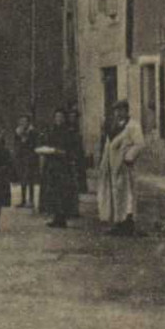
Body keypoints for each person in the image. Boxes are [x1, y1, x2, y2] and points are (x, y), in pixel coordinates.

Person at [97, 99, 146, 236]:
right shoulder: (114, 126)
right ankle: (118, 222)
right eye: (116, 111)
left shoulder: (133, 126)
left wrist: (129, 157)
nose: (118, 113)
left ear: (126, 111)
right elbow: (109, 145)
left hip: (125, 166)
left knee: (128, 195)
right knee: (116, 195)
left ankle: (128, 223)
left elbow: (139, 144)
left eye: (121, 110)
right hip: (113, 166)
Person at [37, 109, 77, 229]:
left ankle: (62, 217)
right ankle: (56, 217)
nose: (58, 119)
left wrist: (59, 152)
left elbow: (70, 149)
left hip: (63, 166)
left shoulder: (68, 132)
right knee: (53, 191)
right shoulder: (52, 131)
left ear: (64, 119)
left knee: (62, 192)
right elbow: (47, 143)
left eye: (60, 117)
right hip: (52, 164)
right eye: (56, 117)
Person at [13, 113, 39, 209]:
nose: (23, 123)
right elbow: (16, 144)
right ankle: (23, 200)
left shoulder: (32, 132)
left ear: (28, 122)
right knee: (22, 180)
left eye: (25, 121)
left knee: (30, 180)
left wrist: (26, 140)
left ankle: (31, 201)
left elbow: (34, 144)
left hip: (30, 158)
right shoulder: (18, 132)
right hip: (21, 158)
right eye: (21, 121)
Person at [66, 106, 88, 217]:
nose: (72, 119)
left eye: (74, 117)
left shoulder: (76, 130)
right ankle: (71, 209)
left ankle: (74, 210)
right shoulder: (68, 129)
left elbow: (78, 146)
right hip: (69, 158)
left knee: (74, 186)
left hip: (75, 158)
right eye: (70, 116)